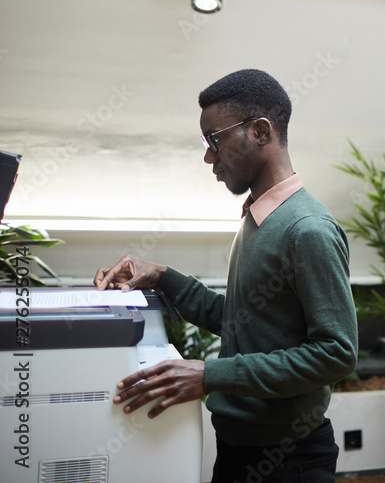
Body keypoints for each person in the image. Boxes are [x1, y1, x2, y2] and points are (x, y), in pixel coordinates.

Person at [94, 69, 358, 482]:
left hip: (289, 459)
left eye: (214, 140)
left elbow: (336, 353)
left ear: (259, 131)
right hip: (240, 447)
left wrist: (209, 374)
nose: (208, 157)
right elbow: (240, 318)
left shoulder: (307, 229)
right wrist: (161, 276)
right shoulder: (257, 219)